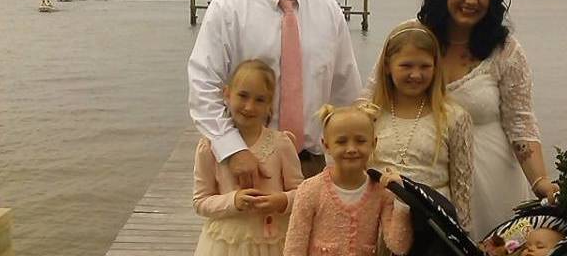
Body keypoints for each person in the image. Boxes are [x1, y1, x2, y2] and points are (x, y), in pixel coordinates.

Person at [188, 0, 362, 183]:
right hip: (248, 164)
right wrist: (232, 150)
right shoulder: (227, 10)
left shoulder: (329, 12)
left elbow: (346, 94)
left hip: (313, 168)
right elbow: (203, 87)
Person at [417, 0, 559, 238]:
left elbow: (521, 123)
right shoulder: (414, 39)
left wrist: (541, 182)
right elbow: (374, 100)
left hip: (492, 185)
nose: (472, 0)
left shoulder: (505, 51)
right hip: (426, 178)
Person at [368, 20, 473, 231]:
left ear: (436, 67)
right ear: (388, 65)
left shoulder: (454, 117)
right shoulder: (369, 116)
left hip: (432, 227)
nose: (416, 75)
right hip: (376, 224)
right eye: (406, 66)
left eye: (425, 66)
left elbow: (463, 188)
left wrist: (461, 234)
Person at [192, 59, 304, 256]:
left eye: (260, 100)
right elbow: (201, 201)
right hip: (225, 244)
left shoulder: (281, 144)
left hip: (273, 242)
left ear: (270, 104)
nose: (249, 107)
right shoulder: (209, 147)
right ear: (227, 94)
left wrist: (282, 201)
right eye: (242, 96)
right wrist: (233, 201)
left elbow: (302, 193)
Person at [283, 101, 413, 256]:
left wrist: (401, 201)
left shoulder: (381, 192)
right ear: (326, 145)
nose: (351, 149)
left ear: (373, 143)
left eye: (360, 140)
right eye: (341, 141)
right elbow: (294, 248)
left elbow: (399, 246)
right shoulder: (310, 190)